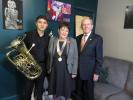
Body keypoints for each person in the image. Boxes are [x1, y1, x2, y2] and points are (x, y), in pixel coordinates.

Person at [74, 17, 103, 100]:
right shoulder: (78, 38)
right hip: (79, 71)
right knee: (78, 92)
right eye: (84, 24)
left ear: (92, 26)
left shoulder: (97, 39)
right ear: (81, 26)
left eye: (88, 24)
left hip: (90, 72)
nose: (86, 26)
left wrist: (96, 73)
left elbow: (99, 58)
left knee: (88, 94)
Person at [47, 22, 78, 100]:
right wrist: (48, 68)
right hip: (55, 68)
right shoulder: (53, 39)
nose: (64, 32)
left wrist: (74, 71)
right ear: (58, 30)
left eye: (66, 31)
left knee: (66, 89)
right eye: (62, 30)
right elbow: (49, 55)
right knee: (55, 88)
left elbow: (75, 57)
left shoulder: (72, 41)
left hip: (67, 69)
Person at [23, 15, 50, 100]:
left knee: (39, 90)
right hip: (29, 66)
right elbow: (23, 51)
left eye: (44, 23)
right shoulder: (28, 35)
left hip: (42, 67)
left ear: (47, 25)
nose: (42, 24)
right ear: (36, 23)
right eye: (40, 22)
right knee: (27, 89)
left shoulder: (49, 38)